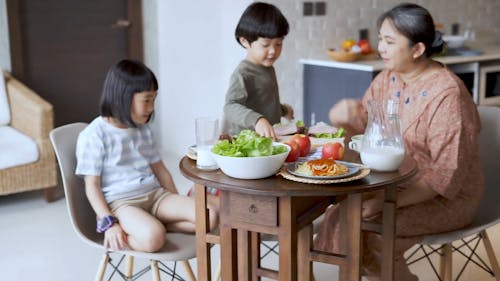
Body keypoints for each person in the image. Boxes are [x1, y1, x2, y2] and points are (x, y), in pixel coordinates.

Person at [314, 3, 484, 281]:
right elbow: (362, 131)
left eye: (390, 41)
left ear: (417, 49)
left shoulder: (448, 95)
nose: (381, 47)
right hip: (394, 182)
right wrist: (340, 119)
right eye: (380, 38)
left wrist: (384, 202)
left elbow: (444, 178)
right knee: (344, 215)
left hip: (447, 197)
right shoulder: (387, 79)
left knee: (374, 230)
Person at [76, 59, 218, 252]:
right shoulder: (94, 136)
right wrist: (109, 222)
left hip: (155, 196)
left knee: (209, 216)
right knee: (153, 238)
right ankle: (148, 230)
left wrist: (174, 203)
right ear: (123, 97)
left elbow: (160, 170)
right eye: (146, 100)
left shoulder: (142, 129)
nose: (151, 107)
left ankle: (159, 224)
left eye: (154, 100)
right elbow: (91, 186)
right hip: (122, 204)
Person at [223, 2, 294, 140]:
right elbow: (230, 107)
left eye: (278, 44)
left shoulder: (267, 68)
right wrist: (257, 120)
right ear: (244, 41)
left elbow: (263, 101)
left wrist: (283, 110)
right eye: (265, 45)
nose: (273, 51)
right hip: (247, 143)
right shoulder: (243, 73)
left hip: (268, 140)